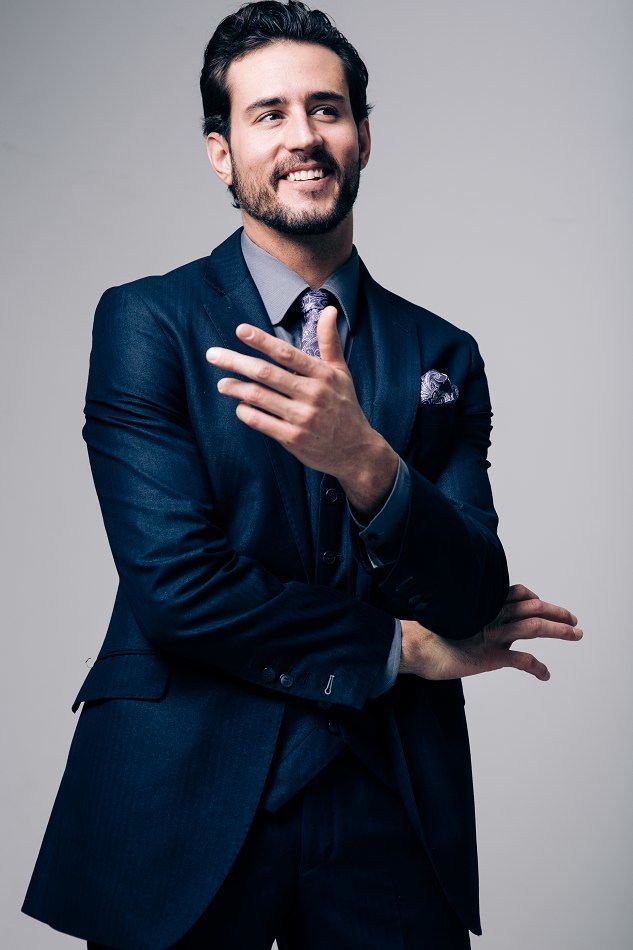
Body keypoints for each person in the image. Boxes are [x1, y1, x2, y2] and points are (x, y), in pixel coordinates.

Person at [21, 2, 582, 947]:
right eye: (268, 113)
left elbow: (471, 591)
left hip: (389, 795)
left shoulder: (442, 351)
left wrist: (366, 462)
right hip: (182, 791)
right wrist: (396, 647)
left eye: (326, 109)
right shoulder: (146, 322)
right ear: (220, 151)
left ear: (363, 135)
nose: (303, 137)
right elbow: (177, 587)